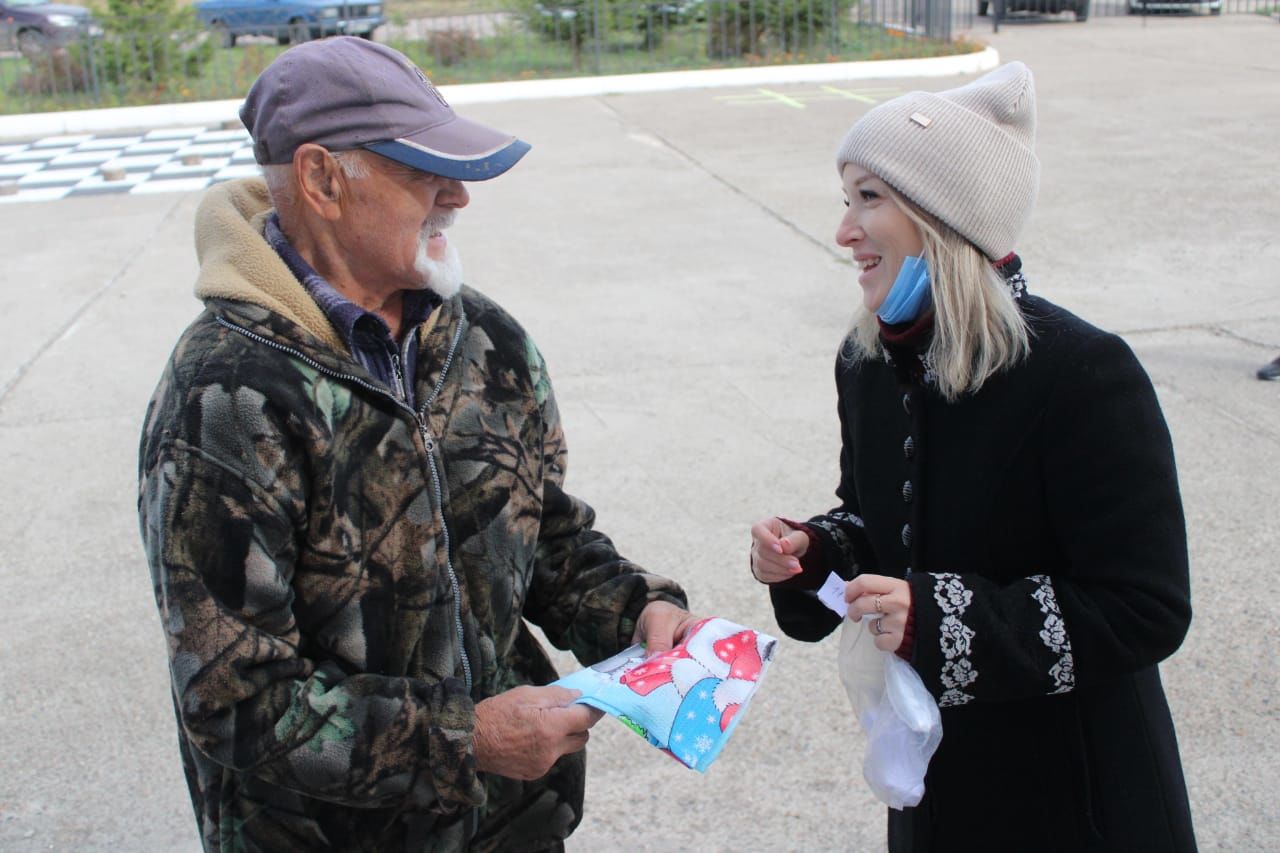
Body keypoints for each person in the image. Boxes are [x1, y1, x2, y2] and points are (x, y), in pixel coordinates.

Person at [137, 36, 697, 852]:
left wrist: (636, 608)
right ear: (323, 179)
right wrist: (463, 741)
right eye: (422, 170)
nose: (458, 198)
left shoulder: (485, 337)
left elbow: (542, 533)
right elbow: (232, 698)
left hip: (516, 823)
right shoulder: (226, 397)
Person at [748, 63, 1196, 851]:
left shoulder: (1082, 371)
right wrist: (815, 551)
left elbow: (1144, 605)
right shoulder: (868, 363)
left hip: (1078, 796)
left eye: (869, 198)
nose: (844, 229)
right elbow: (880, 518)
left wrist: (940, 616)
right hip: (938, 789)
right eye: (846, 198)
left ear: (943, 218)